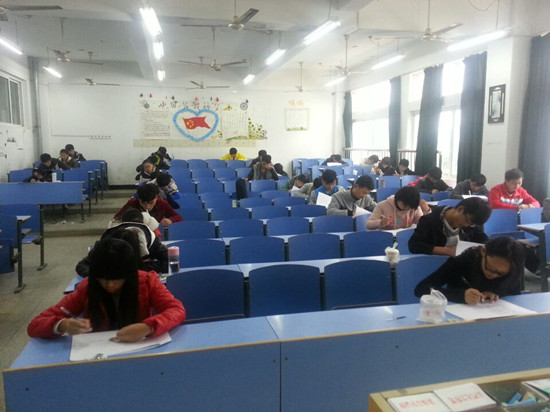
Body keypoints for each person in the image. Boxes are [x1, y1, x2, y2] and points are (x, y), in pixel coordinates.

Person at [27, 237, 185, 341]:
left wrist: (148, 327)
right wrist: (63, 324)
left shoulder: (147, 282)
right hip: (98, 354)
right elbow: (35, 325)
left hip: (140, 349)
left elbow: (176, 310)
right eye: (103, 279)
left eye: (117, 279)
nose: (109, 285)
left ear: (129, 275)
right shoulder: (87, 288)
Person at [414, 237, 524, 305]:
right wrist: (461, 296)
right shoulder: (463, 261)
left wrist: (497, 293)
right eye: (489, 268)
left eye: (501, 273)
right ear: (483, 251)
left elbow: (514, 294)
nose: (493, 275)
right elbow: (421, 289)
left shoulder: (513, 268)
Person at [76, 208, 169, 277]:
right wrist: (104, 275)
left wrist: (138, 270)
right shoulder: (107, 242)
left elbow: (169, 262)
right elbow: (82, 266)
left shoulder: (151, 241)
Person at [408, 197, 492, 257]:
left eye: (471, 224)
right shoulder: (430, 220)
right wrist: (448, 251)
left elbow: (483, 240)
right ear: (460, 209)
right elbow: (414, 245)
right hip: (434, 264)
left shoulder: (470, 224)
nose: (466, 225)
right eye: (467, 221)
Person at [113, 184, 182, 227]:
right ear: (138, 198)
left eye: (151, 203)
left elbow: (178, 217)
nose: (147, 207)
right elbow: (116, 219)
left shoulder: (162, 204)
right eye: (143, 203)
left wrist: (170, 220)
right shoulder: (132, 204)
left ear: (157, 197)